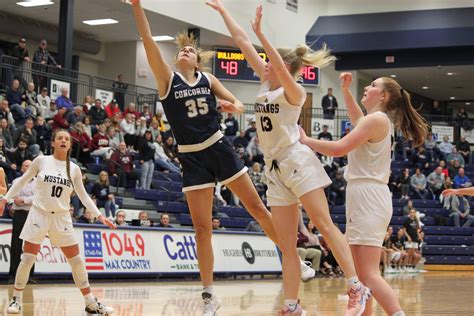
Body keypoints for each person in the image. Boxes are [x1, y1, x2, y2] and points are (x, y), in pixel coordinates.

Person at [208, 2, 370, 315]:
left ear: (283, 65)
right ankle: (292, 306)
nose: (264, 63)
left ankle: (355, 286)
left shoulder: (295, 92)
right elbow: (243, 42)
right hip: (274, 169)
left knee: (323, 223)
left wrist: (262, 34)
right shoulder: (266, 82)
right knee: (286, 243)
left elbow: (279, 65)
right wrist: (223, 12)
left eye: (270, 60)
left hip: (297, 161)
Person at [131, 2, 280, 315]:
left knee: (256, 207)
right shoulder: (167, 80)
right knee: (202, 230)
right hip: (191, 158)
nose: (185, 51)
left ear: (197, 60)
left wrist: (233, 107)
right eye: (181, 49)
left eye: (190, 50)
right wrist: (137, 6)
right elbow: (146, 39)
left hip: (218, 147)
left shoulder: (208, 80)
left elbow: (239, 103)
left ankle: (292, 257)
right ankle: (209, 297)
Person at [300, 68, 427, 313]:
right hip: (365, 195)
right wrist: (346, 91)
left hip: (369, 196)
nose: (367, 88)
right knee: (361, 274)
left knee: (368, 273)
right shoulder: (374, 121)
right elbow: (358, 120)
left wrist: (307, 141)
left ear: (384, 96)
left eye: (373, 85)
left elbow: (339, 149)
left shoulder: (377, 120)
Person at [0, 129, 114, 315]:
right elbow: (21, 181)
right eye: (59, 138)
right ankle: (16, 299)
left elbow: (83, 196)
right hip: (39, 214)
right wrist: (6, 198)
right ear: (53, 143)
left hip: (61, 217)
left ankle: (90, 302)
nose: (63, 141)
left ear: (70, 145)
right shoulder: (41, 161)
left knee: (76, 260)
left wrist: (100, 216)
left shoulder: (75, 169)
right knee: (28, 257)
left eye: (66, 139)